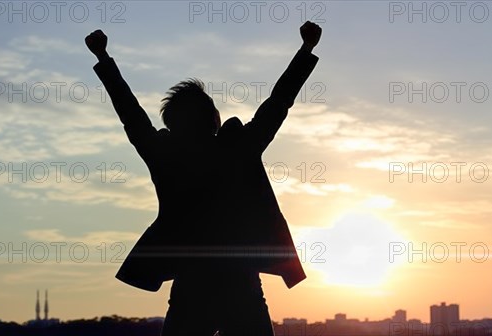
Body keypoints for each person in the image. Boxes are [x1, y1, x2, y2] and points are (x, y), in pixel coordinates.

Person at [85, 21, 321, 335]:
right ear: (212, 120)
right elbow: (277, 105)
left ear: (173, 123)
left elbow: (131, 114)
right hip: (239, 285)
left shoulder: (166, 154)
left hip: (196, 285)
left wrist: (104, 58)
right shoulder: (238, 148)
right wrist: (305, 50)